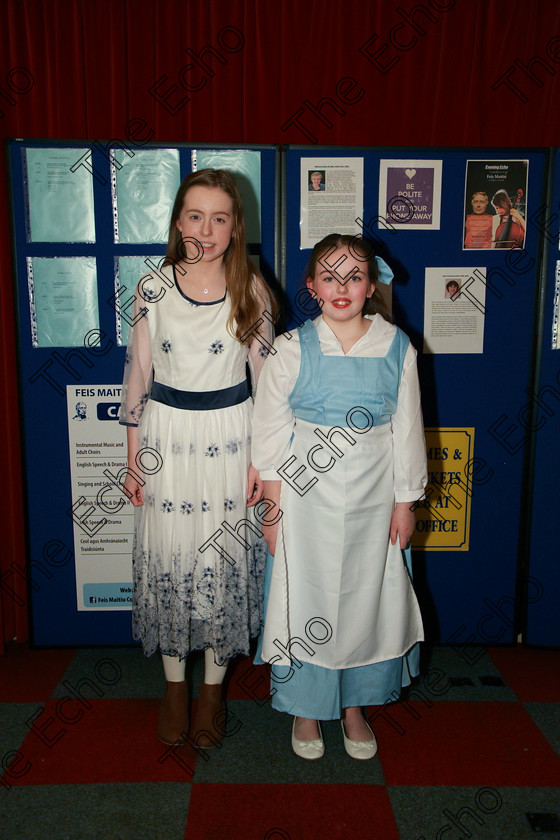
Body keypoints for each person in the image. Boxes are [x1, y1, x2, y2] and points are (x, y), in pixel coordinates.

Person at [252, 233, 427, 761]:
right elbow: (269, 429)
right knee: (308, 594)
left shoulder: (398, 347)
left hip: (376, 496)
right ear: (311, 286)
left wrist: (405, 502)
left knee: (366, 597)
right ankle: (308, 707)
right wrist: (271, 506)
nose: (342, 287)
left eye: (354, 276)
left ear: (371, 283)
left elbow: (408, 428)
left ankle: (354, 705)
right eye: (330, 276)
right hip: (307, 498)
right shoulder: (290, 347)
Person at [119, 168, 274, 748]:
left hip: (232, 441)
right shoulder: (150, 287)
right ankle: (175, 688)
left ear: (236, 229)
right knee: (172, 558)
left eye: (219, 218)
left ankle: (212, 692)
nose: (204, 230)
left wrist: (264, 461)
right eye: (194, 215)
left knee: (219, 564)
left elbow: (266, 386)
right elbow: (138, 375)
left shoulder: (251, 289)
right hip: (166, 442)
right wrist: (133, 458)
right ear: (177, 221)